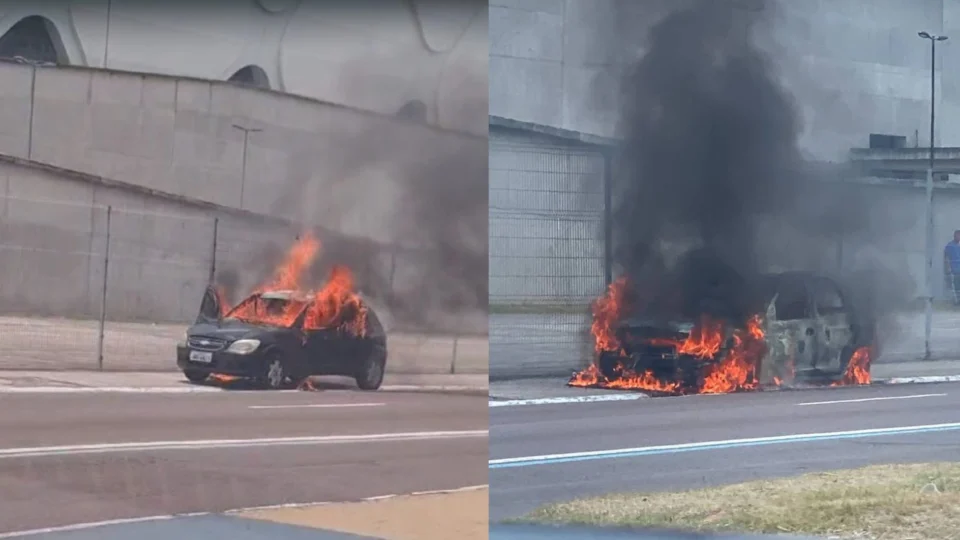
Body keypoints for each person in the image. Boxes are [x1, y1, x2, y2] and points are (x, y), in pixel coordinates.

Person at [944, 230, 960, 305]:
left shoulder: (959, 246)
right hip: (955, 270)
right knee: (956, 286)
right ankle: (956, 301)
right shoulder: (950, 245)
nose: (958, 237)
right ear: (954, 236)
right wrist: (948, 268)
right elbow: (946, 257)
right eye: (957, 235)